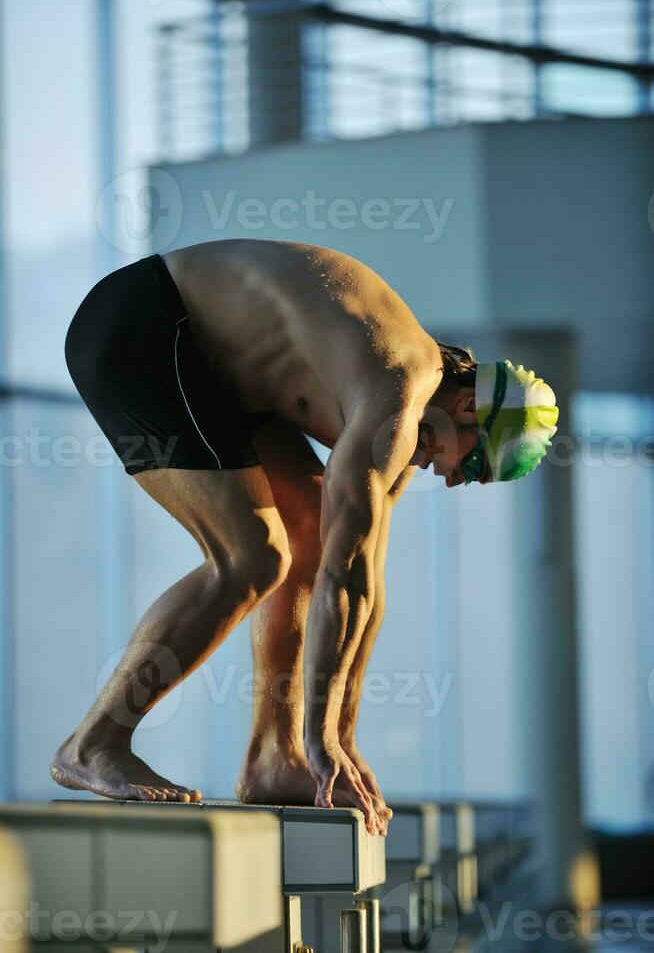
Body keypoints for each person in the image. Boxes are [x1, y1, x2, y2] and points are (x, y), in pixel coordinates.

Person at [51, 239, 559, 835]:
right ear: (470, 407)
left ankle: (275, 759)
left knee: (314, 535)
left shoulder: (410, 417)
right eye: (471, 468)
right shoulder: (398, 392)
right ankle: (94, 742)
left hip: (214, 366)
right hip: (144, 326)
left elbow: (362, 584)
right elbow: (344, 584)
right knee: (251, 556)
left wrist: (337, 740)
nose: (450, 481)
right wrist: (324, 739)